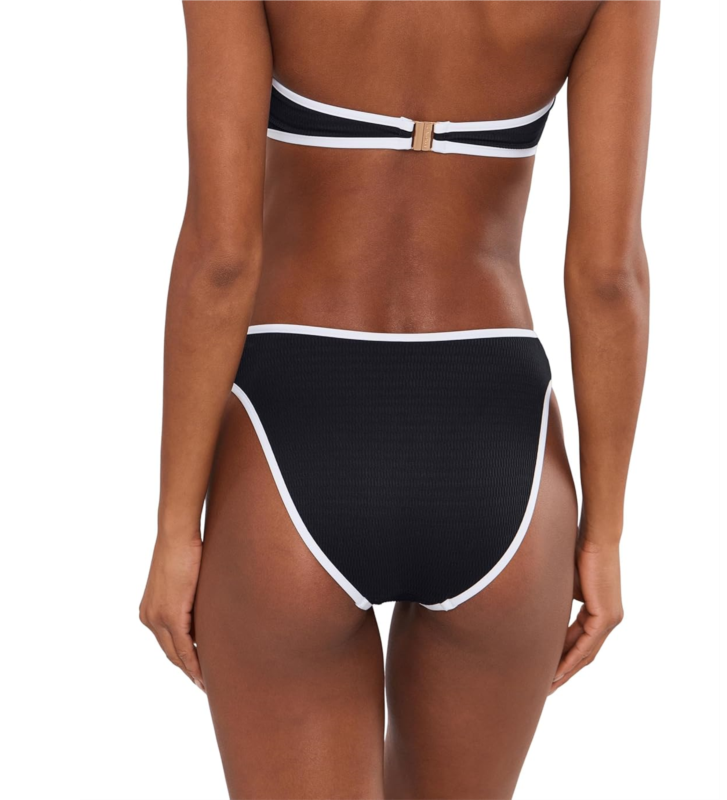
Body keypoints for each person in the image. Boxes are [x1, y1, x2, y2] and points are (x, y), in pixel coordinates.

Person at [140, 1, 658, 797]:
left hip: (294, 433)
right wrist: (605, 534)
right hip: (501, 449)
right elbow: (609, 276)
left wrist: (176, 529)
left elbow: (221, 256)